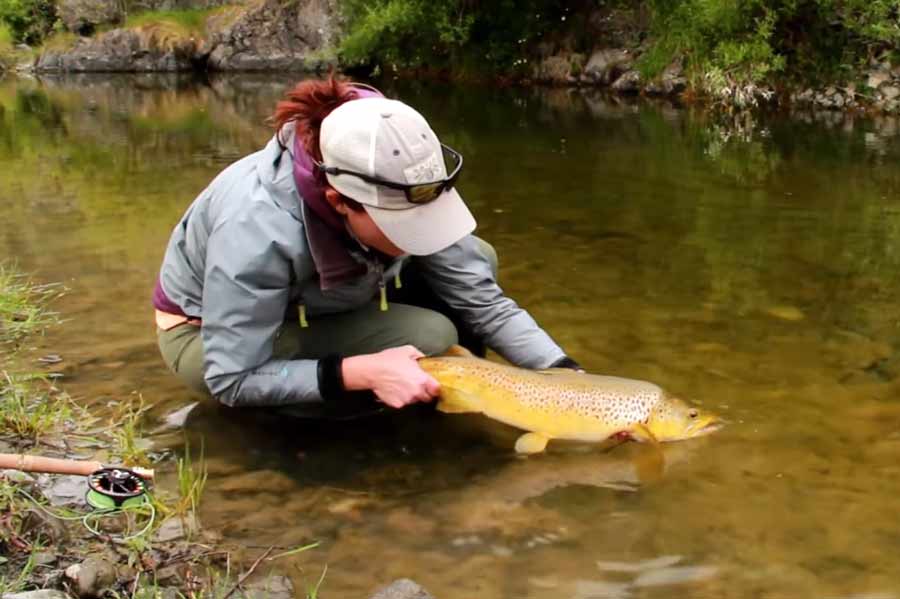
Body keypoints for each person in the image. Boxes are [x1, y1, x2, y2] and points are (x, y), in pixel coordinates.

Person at [153, 76, 580, 417]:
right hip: (208, 336)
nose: (417, 236)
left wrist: (563, 375)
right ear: (339, 202)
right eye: (401, 225)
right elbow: (233, 378)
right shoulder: (256, 228)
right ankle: (324, 421)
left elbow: (484, 303)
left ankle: (429, 403)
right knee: (430, 336)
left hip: (319, 297)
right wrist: (357, 373)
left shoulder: (400, 165)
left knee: (477, 258)